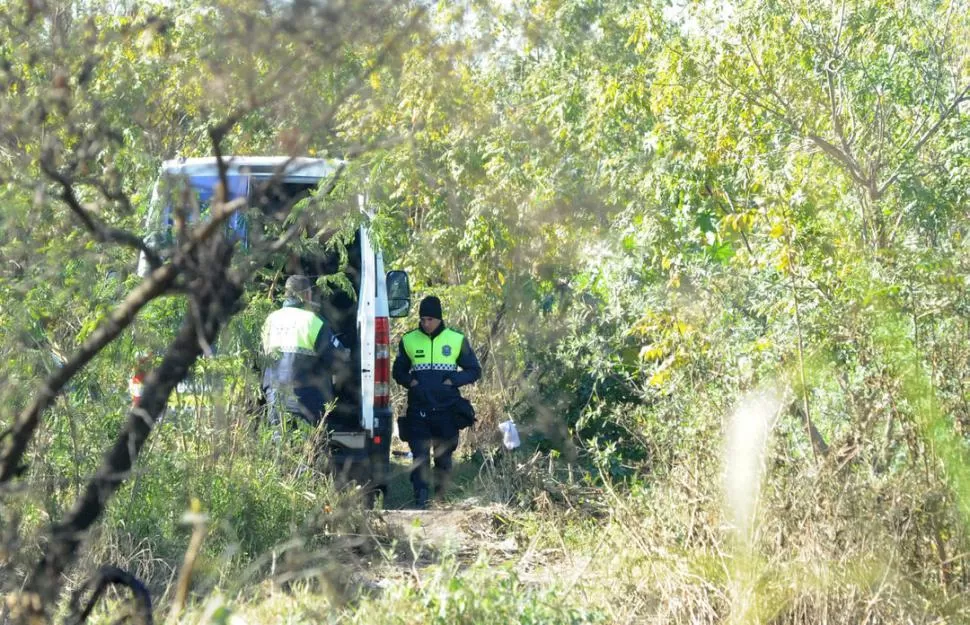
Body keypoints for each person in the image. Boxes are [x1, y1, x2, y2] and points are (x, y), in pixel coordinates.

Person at [393, 295, 481, 508]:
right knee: (420, 456)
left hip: (447, 409)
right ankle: (421, 497)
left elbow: (474, 370)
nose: (426, 323)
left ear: (439, 319)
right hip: (418, 409)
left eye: (430, 319)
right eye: (423, 319)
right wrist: (410, 382)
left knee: (443, 457)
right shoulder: (409, 340)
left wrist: (453, 380)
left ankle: (440, 497)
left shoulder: (456, 340)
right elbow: (398, 370)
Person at [260, 274, 343, 434]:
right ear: (306, 295)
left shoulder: (270, 320)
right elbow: (335, 359)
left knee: (280, 449)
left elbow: (261, 359)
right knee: (306, 449)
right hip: (306, 399)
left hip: (275, 396)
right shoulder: (313, 321)